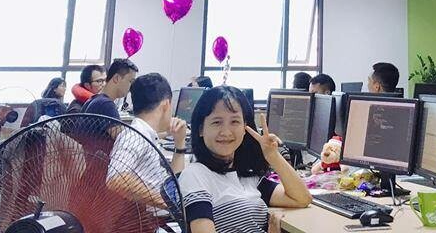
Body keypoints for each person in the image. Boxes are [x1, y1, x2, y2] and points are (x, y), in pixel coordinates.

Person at [179, 86, 312, 233]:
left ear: (245, 128)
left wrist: (273, 156)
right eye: (217, 122)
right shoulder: (195, 175)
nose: (226, 132)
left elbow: (301, 198)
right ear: (200, 130)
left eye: (234, 122)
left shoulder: (246, 175)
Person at [107, 73, 188, 207]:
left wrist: (180, 143)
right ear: (166, 105)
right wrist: (169, 205)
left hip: (163, 210)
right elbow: (115, 178)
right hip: (155, 216)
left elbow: (175, 184)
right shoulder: (135, 136)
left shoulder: (146, 134)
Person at [84, 58, 138, 135]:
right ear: (116, 78)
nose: (131, 86)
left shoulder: (94, 99)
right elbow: (123, 139)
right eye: (130, 81)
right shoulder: (106, 105)